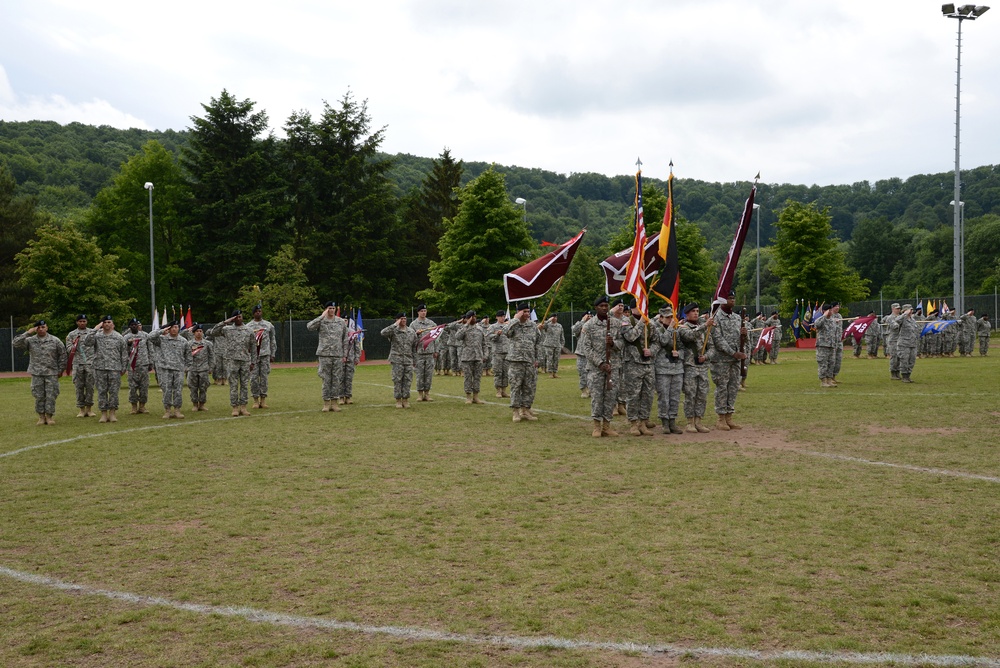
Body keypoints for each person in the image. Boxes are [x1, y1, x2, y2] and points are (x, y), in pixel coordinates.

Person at [582, 295, 624, 437]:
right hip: (596, 369)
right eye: (602, 306)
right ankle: (596, 426)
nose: (605, 308)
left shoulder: (616, 324)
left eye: (606, 306)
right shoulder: (588, 326)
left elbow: (621, 344)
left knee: (610, 397)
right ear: (596, 308)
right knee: (597, 397)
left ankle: (607, 426)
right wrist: (600, 363)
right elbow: (586, 348)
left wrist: (613, 343)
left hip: (613, 367)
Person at [13, 320, 67, 425]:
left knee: (51, 395)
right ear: (35, 329)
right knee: (39, 395)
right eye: (38, 327)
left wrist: (61, 370)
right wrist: (28, 332)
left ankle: (49, 416)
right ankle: (41, 417)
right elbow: (15, 343)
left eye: (43, 327)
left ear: (47, 328)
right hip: (37, 373)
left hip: (51, 372)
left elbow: (63, 355)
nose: (41, 329)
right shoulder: (30, 340)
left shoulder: (55, 340)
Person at [708, 292, 747, 430]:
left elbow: (741, 339)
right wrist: (733, 353)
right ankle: (720, 418)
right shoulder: (715, 318)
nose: (732, 300)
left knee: (733, 387)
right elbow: (718, 340)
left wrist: (744, 335)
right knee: (722, 388)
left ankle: (729, 416)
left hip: (735, 360)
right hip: (721, 360)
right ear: (722, 301)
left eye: (733, 298)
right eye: (729, 298)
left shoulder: (737, 318)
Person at [210, 310, 256, 417]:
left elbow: (253, 347)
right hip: (231, 361)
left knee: (244, 384)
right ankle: (235, 407)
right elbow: (213, 332)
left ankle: (243, 407)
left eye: (240, 316)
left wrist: (253, 362)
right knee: (233, 385)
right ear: (233, 319)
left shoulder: (249, 330)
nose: (239, 318)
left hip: (245, 361)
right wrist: (225, 322)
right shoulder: (227, 329)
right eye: (236, 317)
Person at [622, 301, 657, 436]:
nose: (643, 309)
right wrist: (641, 322)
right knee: (633, 395)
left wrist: (652, 350)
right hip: (632, 364)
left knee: (647, 395)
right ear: (632, 309)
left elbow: (656, 341)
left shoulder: (650, 324)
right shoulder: (626, 322)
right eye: (639, 306)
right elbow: (630, 337)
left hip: (648, 364)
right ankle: (633, 423)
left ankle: (643, 422)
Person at [306, 302, 349, 412]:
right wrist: (321, 316)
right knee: (326, 379)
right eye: (329, 308)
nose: (332, 310)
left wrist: (345, 354)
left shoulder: (340, 322)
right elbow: (309, 326)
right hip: (324, 354)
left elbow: (345, 339)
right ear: (326, 309)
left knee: (336, 379)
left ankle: (334, 403)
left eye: (333, 308)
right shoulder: (322, 321)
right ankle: (326, 403)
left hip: (337, 355)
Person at [84, 315, 128, 423]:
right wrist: (95, 329)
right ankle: (103, 413)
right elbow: (87, 342)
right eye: (105, 322)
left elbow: (124, 354)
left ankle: (112, 413)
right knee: (102, 391)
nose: (107, 324)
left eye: (109, 322)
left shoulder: (119, 337)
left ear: (112, 324)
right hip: (100, 368)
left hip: (114, 368)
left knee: (113, 391)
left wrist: (123, 368)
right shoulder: (97, 336)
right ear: (102, 324)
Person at [676, 304, 713, 433]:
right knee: (690, 395)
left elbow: (712, 347)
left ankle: (698, 421)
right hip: (690, 366)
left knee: (702, 395)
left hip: (702, 367)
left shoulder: (703, 329)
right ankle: (690, 421)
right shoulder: (683, 327)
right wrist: (705, 325)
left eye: (697, 311)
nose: (696, 313)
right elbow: (690, 336)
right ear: (686, 313)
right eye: (693, 311)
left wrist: (706, 356)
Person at [503, 302, 540, 423]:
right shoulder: (514, 325)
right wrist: (515, 319)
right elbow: (505, 332)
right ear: (519, 312)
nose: (527, 314)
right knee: (516, 386)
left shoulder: (533, 326)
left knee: (529, 387)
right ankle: (515, 411)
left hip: (529, 361)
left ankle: (525, 410)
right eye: (524, 312)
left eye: (528, 311)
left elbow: (537, 343)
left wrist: (537, 359)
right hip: (516, 361)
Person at [148, 320, 192, 418]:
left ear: (178, 328)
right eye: (172, 327)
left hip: (178, 369)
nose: (174, 329)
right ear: (168, 328)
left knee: (178, 390)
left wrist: (186, 367)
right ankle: (167, 410)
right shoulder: (162, 339)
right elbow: (150, 337)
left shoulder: (183, 341)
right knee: (167, 390)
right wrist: (161, 330)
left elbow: (188, 355)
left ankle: (177, 410)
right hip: (165, 369)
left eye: (176, 327)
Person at [653, 306, 685, 435]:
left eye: (672, 317)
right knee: (664, 397)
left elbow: (683, 348)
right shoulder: (656, 329)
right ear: (661, 318)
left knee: (675, 397)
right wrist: (671, 328)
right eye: (667, 317)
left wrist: (680, 354)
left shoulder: (677, 331)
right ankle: (664, 422)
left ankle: (673, 421)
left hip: (677, 368)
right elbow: (663, 341)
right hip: (662, 368)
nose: (670, 320)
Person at [449, 310, 487, 404]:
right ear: (467, 318)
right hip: (467, 357)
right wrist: (466, 324)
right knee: (468, 377)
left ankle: (476, 396)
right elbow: (457, 337)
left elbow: (484, 344)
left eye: (474, 317)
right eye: (471, 317)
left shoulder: (480, 329)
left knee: (477, 377)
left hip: (478, 357)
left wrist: (485, 355)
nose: (473, 318)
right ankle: (468, 396)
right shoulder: (463, 328)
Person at [381, 312, 417, 408]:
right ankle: (398, 400)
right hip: (397, 359)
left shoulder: (411, 331)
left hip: (408, 360)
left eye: (405, 318)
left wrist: (415, 360)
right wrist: (394, 325)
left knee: (408, 380)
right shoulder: (393, 331)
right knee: (397, 380)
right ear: (397, 320)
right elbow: (383, 333)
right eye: (401, 318)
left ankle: (405, 399)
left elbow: (414, 347)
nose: (404, 320)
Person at [246, 304, 277, 408]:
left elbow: (273, 340)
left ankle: (263, 400)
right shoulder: (248, 326)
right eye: (256, 311)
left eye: (260, 311)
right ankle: (255, 400)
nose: (258, 313)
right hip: (253, 357)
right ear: (253, 313)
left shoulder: (268, 325)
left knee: (264, 378)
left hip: (265, 354)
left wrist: (272, 354)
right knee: (254, 378)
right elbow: (246, 342)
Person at [66, 314, 96, 418]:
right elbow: (68, 349)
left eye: (84, 321)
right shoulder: (71, 334)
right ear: (77, 322)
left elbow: (96, 347)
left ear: (86, 322)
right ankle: (81, 409)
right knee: (79, 387)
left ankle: (89, 409)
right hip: (77, 364)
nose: (82, 323)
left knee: (90, 387)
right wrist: (74, 345)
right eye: (80, 321)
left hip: (90, 363)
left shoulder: (92, 333)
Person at [124, 318, 153, 414]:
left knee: (144, 387)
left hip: (144, 364)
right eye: (132, 324)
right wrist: (128, 345)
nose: (134, 326)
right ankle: (133, 406)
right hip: (132, 366)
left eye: (135, 324)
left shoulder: (145, 335)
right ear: (129, 326)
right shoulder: (126, 337)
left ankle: (142, 406)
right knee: (132, 387)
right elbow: (124, 352)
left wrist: (151, 362)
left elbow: (150, 350)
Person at [409, 304, 438, 401]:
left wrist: (436, 350)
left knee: (429, 374)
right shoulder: (413, 325)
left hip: (429, 352)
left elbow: (436, 338)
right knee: (420, 374)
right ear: (418, 312)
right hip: (419, 353)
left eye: (425, 311)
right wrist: (416, 334)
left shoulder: (431, 324)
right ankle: (420, 394)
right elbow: (410, 339)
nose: (423, 313)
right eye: (421, 311)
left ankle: (427, 394)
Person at [813, 302, 844, 388]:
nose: (831, 311)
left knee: (831, 363)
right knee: (823, 363)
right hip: (823, 345)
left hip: (832, 345)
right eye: (829, 310)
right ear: (824, 311)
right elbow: (816, 325)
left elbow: (836, 332)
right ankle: (823, 381)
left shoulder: (832, 320)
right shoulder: (821, 319)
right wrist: (824, 315)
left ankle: (829, 380)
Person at [890, 304, 920, 383]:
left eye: (911, 310)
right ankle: (904, 376)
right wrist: (904, 314)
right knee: (904, 360)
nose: (911, 311)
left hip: (912, 343)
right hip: (903, 343)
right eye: (909, 310)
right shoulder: (902, 319)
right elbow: (896, 321)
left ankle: (908, 375)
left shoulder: (912, 319)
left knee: (912, 360)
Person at [187, 324, 213, 411]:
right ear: (194, 333)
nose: (199, 333)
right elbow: (186, 356)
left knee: (203, 387)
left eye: (200, 331)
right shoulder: (189, 344)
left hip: (204, 369)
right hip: (192, 369)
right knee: (193, 387)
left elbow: (211, 356)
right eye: (197, 331)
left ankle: (202, 404)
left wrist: (211, 367)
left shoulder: (207, 344)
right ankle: (195, 404)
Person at [487, 311, 510, 398]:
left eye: (503, 316)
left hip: (507, 352)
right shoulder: (493, 327)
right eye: (501, 316)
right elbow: (489, 337)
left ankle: (504, 390)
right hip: (497, 352)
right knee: (498, 372)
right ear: (497, 317)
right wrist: (497, 334)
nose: (502, 318)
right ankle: (498, 390)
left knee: (506, 372)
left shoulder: (507, 326)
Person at [572, 312, 592, 397]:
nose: (589, 317)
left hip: (591, 353)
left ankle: (591, 389)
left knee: (592, 373)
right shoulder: (579, 325)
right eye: (588, 316)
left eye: (591, 316)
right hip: (581, 353)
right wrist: (583, 321)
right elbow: (574, 330)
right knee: (582, 373)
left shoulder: (594, 324)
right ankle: (584, 390)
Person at [341, 329, 362, 405]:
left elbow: (356, 345)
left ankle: (348, 397)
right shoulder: (338, 330)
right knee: (341, 378)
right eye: (343, 319)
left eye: (346, 320)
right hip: (340, 359)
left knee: (349, 379)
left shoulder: (352, 332)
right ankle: (341, 397)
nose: (344, 321)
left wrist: (357, 357)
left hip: (350, 359)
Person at [884, 303, 902, 379]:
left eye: (899, 308)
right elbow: (895, 326)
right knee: (894, 356)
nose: (899, 310)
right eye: (897, 308)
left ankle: (897, 372)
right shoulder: (890, 318)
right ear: (893, 309)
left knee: (899, 357)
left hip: (900, 339)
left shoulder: (900, 317)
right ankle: (893, 373)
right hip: (893, 340)